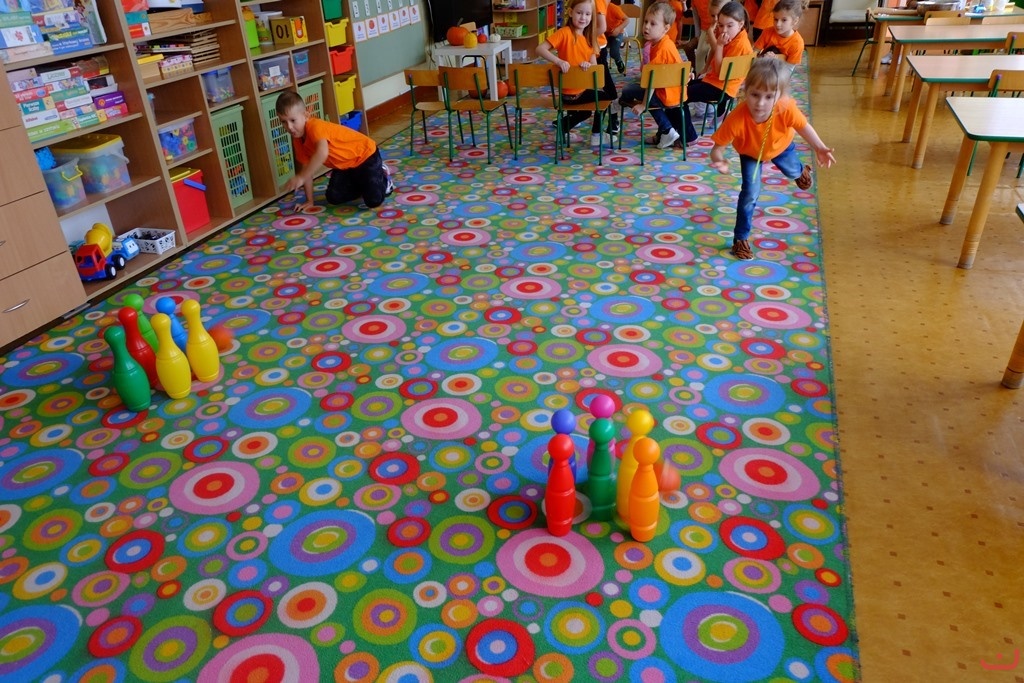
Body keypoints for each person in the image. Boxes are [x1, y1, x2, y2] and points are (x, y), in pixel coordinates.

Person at [708, 58, 835, 260]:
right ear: (745, 90)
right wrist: (720, 160)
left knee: (792, 171)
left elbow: (803, 127)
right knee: (749, 194)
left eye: (769, 96)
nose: (760, 103)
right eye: (755, 94)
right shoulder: (737, 118)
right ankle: (740, 239)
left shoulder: (786, 108)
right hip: (750, 154)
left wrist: (819, 147)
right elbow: (717, 149)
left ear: (780, 95)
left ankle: (801, 171)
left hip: (780, 147)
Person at [276, 90, 393, 210]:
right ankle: (363, 183)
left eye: (293, 120)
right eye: (284, 122)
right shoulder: (298, 140)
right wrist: (309, 201)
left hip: (366, 156)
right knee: (333, 197)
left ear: (306, 116)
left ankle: (383, 177)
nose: (289, 127)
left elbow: (322, 152)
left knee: (374, 200)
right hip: (345, 166)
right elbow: (307, 170)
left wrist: (301, 177)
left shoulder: (315, 127)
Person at [537, 0, 618, 146]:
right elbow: (540, 49)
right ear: (570, 12)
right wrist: (558, 61)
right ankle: (596, 135)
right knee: (606, 98)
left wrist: (588, 65)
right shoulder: (564, 32)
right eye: (579, 13)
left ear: (592, 17)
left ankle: (562, 128)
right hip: (569, 93)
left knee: (586, 112)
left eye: (587, 14)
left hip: (574, 94)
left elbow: (595, 69)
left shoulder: (590, 39)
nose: (583, 17)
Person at [681, 0, 753, 145]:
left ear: (741, 24)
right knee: (681, 86)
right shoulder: (738, 36)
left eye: (729, 25)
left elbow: (721, 72)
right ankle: (718, 114)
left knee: (679, 95)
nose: (724, 30)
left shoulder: (739, 45)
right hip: (717, 83)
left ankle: (689, 136)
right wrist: (706, 68)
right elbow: (714, 59)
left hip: (721, 88)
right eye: (720, 25)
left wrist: (719, 45)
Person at [618, 2, 685, 148]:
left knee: (629, 90)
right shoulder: (664, 43)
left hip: (666, 94)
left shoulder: (662, 49)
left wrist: (643, 104)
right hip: (673, 92)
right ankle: (665, 132)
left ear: (666, 28)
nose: (646, 26)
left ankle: (667, 130)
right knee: (635, 90)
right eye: (646, 22)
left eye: (653, 24)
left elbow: (652, 82)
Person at [753, 0, 805, 66]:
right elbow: (754, 53)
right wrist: (763, 58)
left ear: (795, 21)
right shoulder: (767, 32)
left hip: (781, 70)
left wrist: (776, 61)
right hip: (763, 67)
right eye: (776, 19)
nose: (778, 24)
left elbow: (790, 68)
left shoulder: (797, 43)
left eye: (784, 20)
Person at [606, 0, 628, 73]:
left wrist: (618, 29)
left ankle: (618, 60)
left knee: (614, 52)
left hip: (617, 33)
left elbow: (627, 20)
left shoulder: (613, 8)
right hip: (604, 33)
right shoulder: (595, 8)